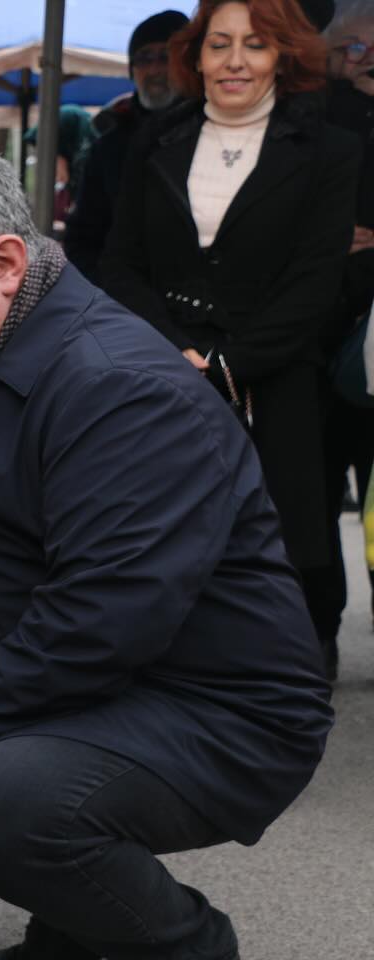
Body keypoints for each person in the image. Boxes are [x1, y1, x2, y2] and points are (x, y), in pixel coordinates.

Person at [0, 147, 332, 960]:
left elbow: (103, 618)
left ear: (4, 263)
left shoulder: (117, 386)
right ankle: (66, 936)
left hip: (217, 709)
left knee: (9, 800)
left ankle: (185, 945)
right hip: (90, 679)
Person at [99, 0, 360, 677]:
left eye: (256, 43)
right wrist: (172, 349)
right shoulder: (152, 139)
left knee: (281, 559)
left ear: (284, 55)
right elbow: (119, 263)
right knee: (163, 548)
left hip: (280, 382)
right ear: (197, 56)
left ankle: (279, 700)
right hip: (161, 375)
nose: (236, 60)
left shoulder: (332, 150)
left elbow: (316, 281)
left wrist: (225, 365)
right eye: (219, 44)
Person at [309, 0, 374, 645]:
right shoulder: (313, 117)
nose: (365, 60)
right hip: (318, 339)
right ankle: (318, 637)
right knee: (315, 500)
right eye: (353, 48)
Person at [64, 10, 189, 282]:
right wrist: (112, 293)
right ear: (132, 70)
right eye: (144, 58)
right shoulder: (109, 146)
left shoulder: (214, 133)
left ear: (189, 64)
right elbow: (82, 239)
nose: (156, 70)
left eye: (166, 57)